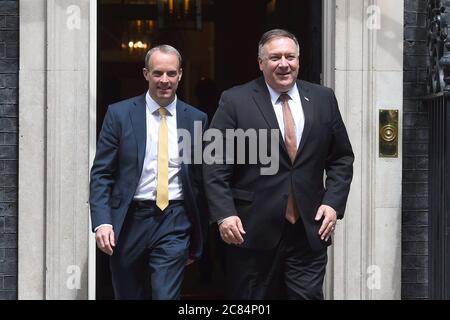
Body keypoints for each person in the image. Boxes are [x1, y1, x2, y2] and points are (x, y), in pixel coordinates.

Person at [203, 29, 354, 300]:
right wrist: (225, 214)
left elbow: (341, 157)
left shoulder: (323, 98)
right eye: (275, 57)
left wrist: (332, 203)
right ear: (261, 63)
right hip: (251, 231)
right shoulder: (235, 100)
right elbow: (215, 163)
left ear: (298, 60)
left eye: (290, 56)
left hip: (308, 229)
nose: (283, 63)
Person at [89, 45, 208, 300]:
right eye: (157, 73)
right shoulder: (119, 114)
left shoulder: (197, 119)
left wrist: (201, 228)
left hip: (175, 219)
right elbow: (102, 173)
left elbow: (201, 178)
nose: (164, 80)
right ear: (145, 74)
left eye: (171, 73)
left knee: (166, 295)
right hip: (129, 220)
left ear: (180, 75)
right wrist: (102, 221)